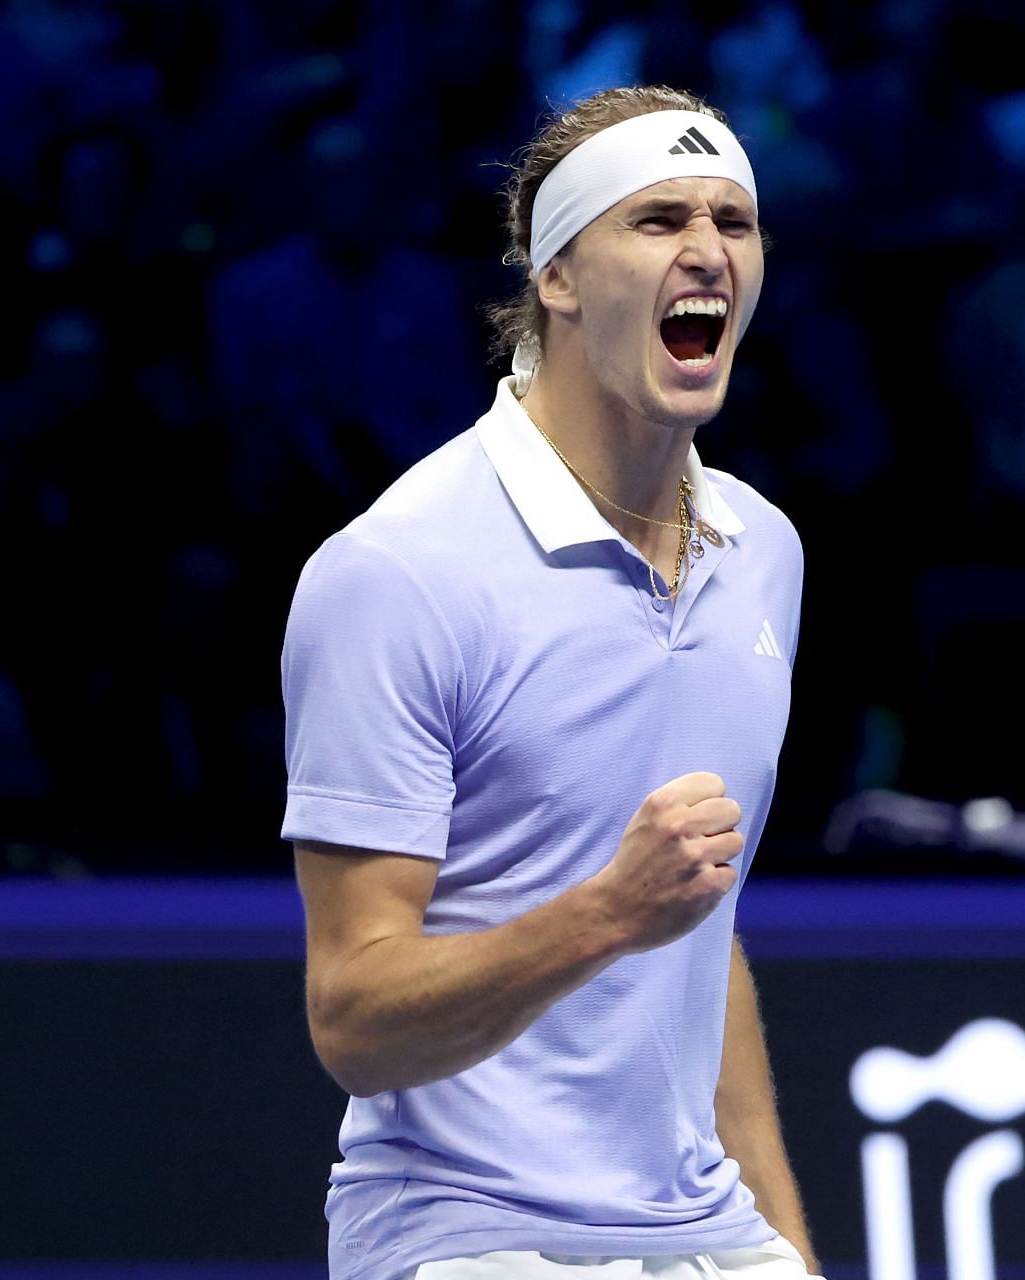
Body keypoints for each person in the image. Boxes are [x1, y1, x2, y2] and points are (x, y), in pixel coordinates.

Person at [280, 86, 815, 1280]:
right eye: (660, 217)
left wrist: (783, 1248)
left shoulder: (761, 550)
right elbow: (355, 1018)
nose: (707, 252)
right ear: (559, 278)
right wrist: (608, 911)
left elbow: (697, 927)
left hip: (706, 1232)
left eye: (735, 221)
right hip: (470, 1235)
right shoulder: (398, 573)